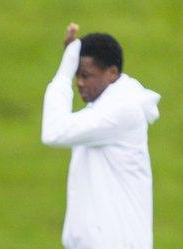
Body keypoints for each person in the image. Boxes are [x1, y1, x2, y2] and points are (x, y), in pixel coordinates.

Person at [41, 23, 160, 248]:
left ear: (112, 73)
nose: (79, 82)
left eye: (86, 75)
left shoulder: (122, 111)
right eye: (77, 75)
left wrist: (64, 73)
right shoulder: (103, 110)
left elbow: (53, 132)